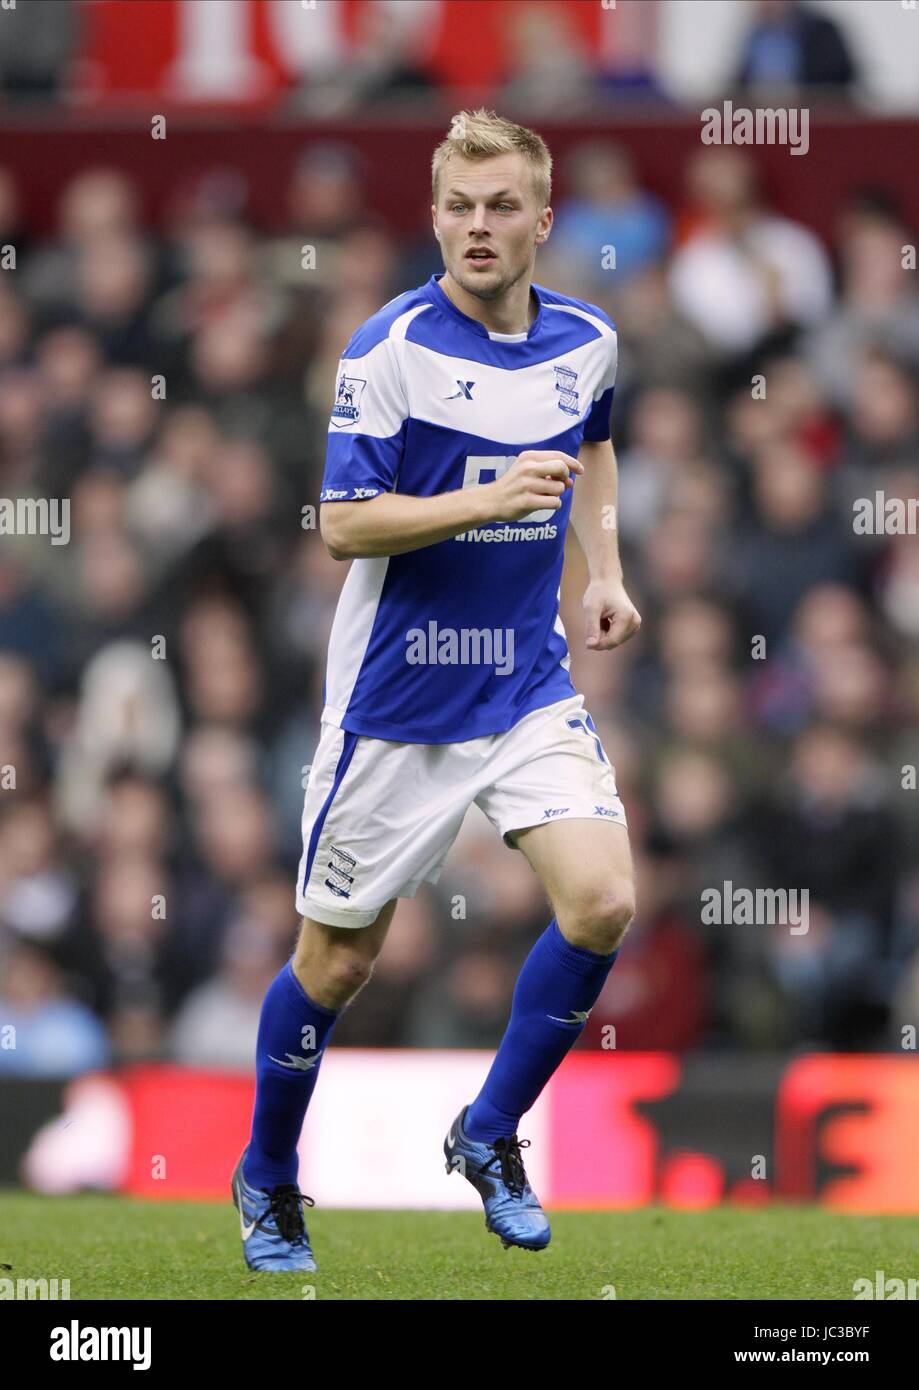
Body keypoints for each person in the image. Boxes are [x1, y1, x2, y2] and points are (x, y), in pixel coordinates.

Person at [232, 108, 642, 1271]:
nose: (478, 226)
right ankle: (267, 1176)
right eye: (458, 206)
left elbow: (595, 444)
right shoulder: (388, 349)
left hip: (522, 685)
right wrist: (488, 497)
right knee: (337, 964)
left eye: (502, 204)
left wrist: (602, 569)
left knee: (603, 901)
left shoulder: (586, 339)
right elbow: (342, 524)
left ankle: (488, 1131)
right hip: (395, 708)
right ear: (432, 217)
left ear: (542, 219)